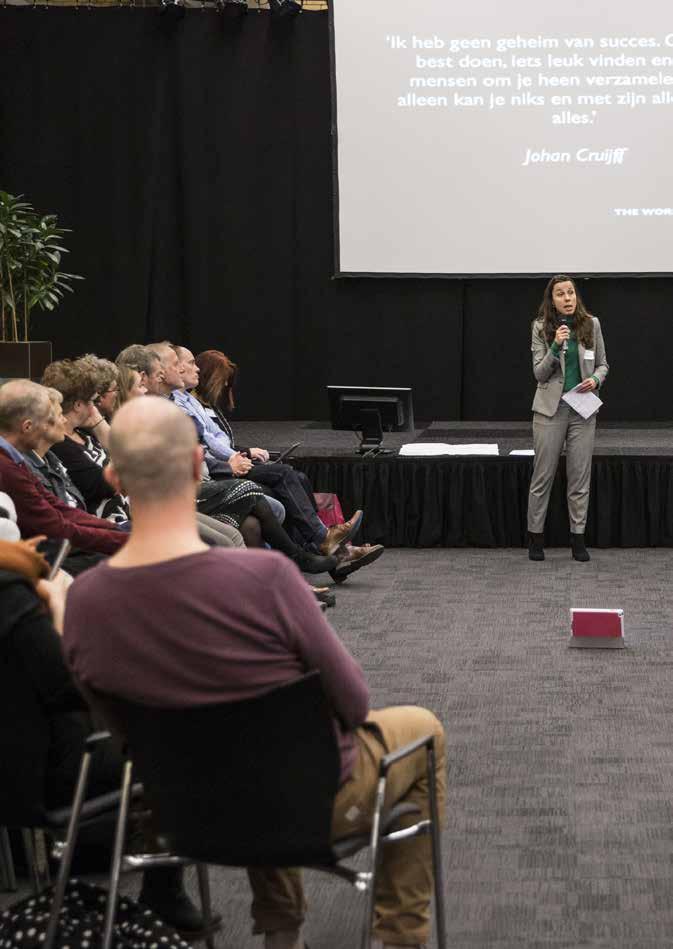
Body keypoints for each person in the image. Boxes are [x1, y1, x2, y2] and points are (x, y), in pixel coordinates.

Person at [63, 396, 446, 949]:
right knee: (421, 727)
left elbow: (110, 723)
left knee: (242, 740)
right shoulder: (265, 579)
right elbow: (355, 704)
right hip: (302, 801)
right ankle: (399, 937)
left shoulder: (84, 601)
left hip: (179, 812)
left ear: (113, 476)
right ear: (198, 466)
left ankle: (282, 932)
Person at [0, 537, 218, 936]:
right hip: (39, 775)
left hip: (24, 761)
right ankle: (162, 890)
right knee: (184, 743)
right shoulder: (9, 591)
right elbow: (68, 685)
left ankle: (127, 862)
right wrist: (59, 604)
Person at [189, 347, 385, 581]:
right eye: (221, 382)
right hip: (218, 473)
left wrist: (244, 452)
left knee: (298, 479)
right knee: (284, 476)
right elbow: (208, 447)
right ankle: (327, 543)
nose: (223, 388)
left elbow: (219, 443)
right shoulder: (187, 407)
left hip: (229, 463)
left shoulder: (207, 408)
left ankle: (334, 552)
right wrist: (237, 457)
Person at [146, 342, 336, 575]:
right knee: (259, 493)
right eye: (180, 363)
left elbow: (206, 445)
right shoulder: (154, 409)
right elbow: (200, 449)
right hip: (190, 487)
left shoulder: (176, 404)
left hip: (201, 479)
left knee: (288, 485)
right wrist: (229, 464)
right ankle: (303, 559)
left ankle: (304, 561)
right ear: (158, 373)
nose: (189, 369)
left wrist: (238, 454)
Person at [527, 275, 608, 562]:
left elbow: (603, 364)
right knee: (543, 476)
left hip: (582, 410)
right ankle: (536, 539)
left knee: (579, 477)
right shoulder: (541, 327)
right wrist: (554, 346)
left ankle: (578, 539)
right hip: (550, 410)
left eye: (571, 293)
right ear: (553, 300)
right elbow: (539, 374)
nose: (567, 298)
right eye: (561, 294)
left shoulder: (591, 324)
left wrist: (596, 380)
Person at [0, 380, 125, 565]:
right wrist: (127, 540)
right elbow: (56, 528)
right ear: (27, 427)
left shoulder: (13, 459)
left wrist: (119, 530)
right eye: (50, 420)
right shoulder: (6, 467)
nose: (63, 422)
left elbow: (59, 508)